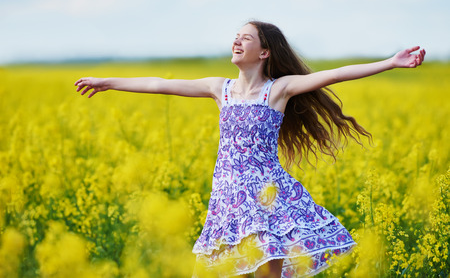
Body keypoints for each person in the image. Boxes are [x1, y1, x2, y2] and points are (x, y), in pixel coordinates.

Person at [74, 21, 425, 277]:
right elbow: (159, 83)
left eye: (246, 38)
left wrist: (390, 62)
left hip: (266, 200)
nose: (236, 41)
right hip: (226, 200)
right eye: (235, 37)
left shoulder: (278, 89)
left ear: (264, 51)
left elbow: (334, 75)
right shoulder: (219, 88)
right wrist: (108, 83)